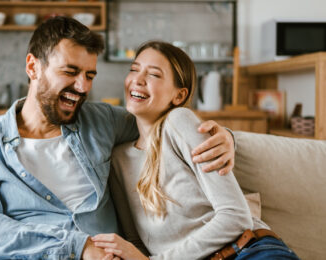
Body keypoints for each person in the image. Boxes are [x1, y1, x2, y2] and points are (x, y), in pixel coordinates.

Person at [0, 17, 235, 260]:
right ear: (33, 67)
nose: (82, 87)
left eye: (90, 75)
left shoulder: (102, 121)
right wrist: (78, 247)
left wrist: (225, 137)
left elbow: (161, 120)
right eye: (70, 72)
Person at [92, 41, 300, 260]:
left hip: (247, 252)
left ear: (179, 96)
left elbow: (236, 217)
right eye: (134, 69)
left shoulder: (178, 122)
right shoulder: (118, 159)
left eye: (153, 74)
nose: (138, 79)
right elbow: (137, 244)